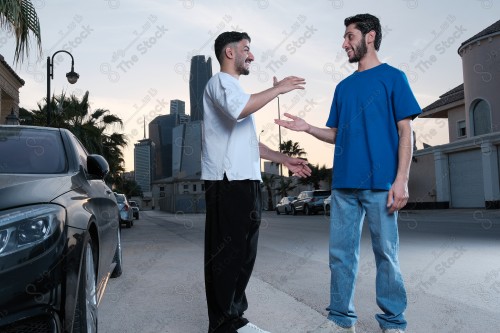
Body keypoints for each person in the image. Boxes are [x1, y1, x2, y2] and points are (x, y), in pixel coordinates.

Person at [275, 14, 421, 333]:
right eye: (344, 38)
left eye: (349, 36)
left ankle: (393, 322)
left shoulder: (394, 78)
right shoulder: (343, 87)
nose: (344, 44)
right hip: (343, 186)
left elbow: (405, 133)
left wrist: (401, 179)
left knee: (386, 255)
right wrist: (308, 127)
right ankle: (341, 320)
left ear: (369, 37)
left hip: (382, 185)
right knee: (341, 256)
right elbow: (337, 134)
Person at [202, 31, 311, 333]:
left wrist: (283, 159)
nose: (251, 56)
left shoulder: (236, 90)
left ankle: (235, 318)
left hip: (247, 181)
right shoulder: (220, 83)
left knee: (244, 255)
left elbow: (250, 143)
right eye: (246, 50)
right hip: (227, 183)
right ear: (229, 53)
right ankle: (223, 325)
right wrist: (277, 90)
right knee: (227, 255)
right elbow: (241, 110)